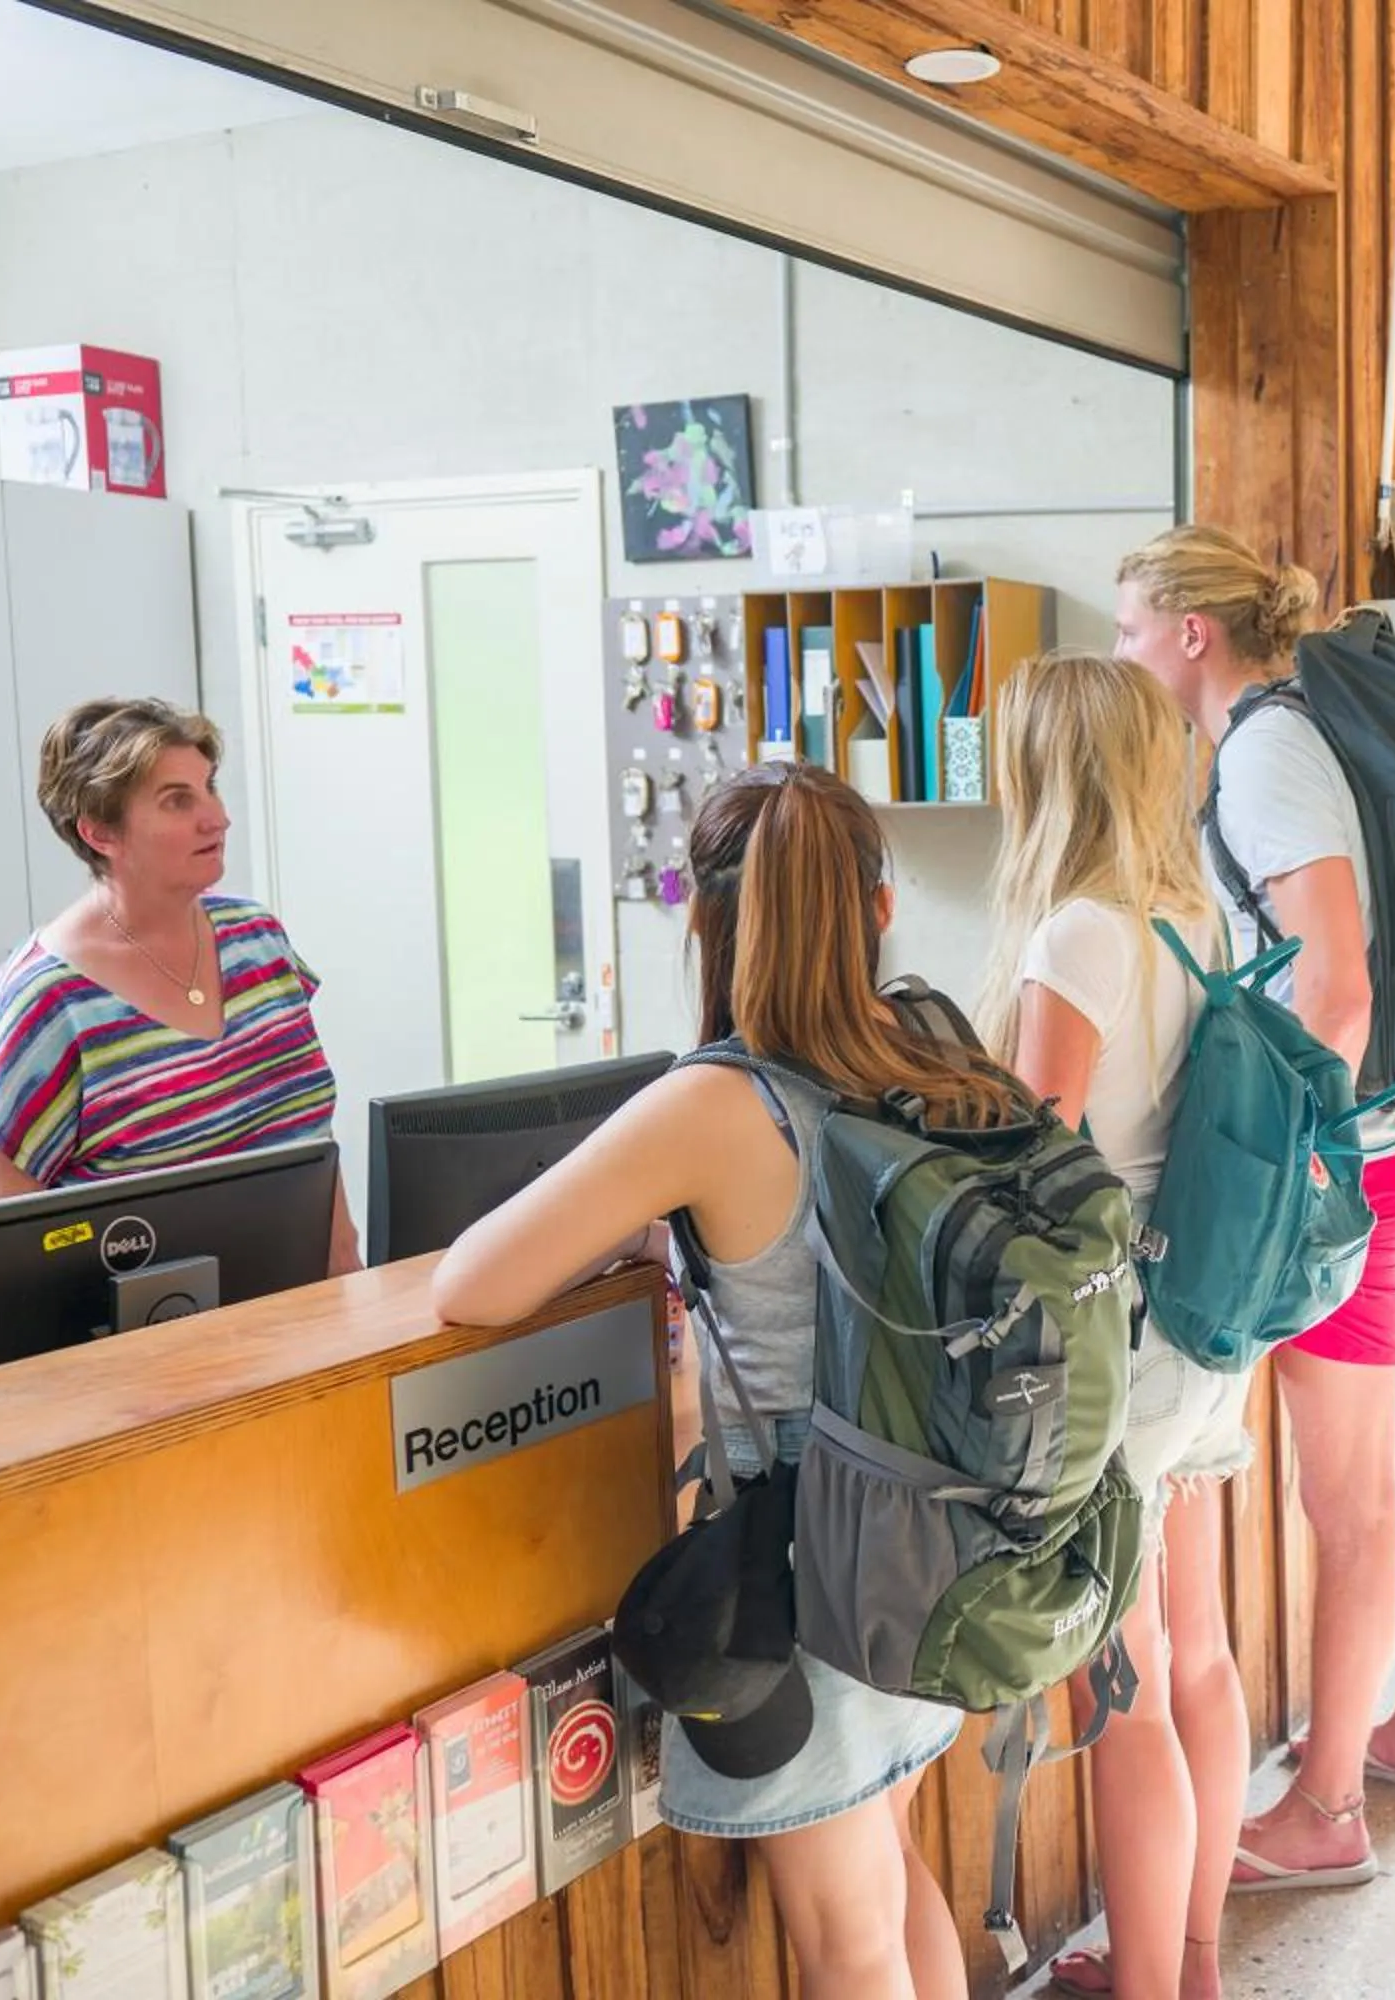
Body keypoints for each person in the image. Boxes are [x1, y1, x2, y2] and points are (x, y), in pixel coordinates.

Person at [433, 762, 992, 2000]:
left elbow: (468, 1282)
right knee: (898, 1878)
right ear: (880, 911)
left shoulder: (712, 1101)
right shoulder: (935, 1049)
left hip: (804, 1558)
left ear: (706, 924)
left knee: (848, 1934)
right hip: (933, 1535)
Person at [1113, 527, 1395, 1895]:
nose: (1122, 656)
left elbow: (1333, 986)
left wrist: (1281, 1176)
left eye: (1130, 629)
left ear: (1191, 634)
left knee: (1348, 1493)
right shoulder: (1308, 727)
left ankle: (1328, 1802)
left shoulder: (1264, 753)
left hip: (1358, 1158)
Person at [974, 650, 1254, 2000]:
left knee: (1124, 1680)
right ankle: (1193, 1963)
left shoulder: (1078, 932)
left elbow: (1030, 1164)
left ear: (1049, 774)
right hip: (1203, 1328)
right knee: (1195, 1652)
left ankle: (1147, 1985)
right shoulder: (1196, 916)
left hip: (1117, 1353)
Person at [0, 697, 359, 1275]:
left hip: (307, 1317)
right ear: (99, 832)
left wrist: (350, 1279)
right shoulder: (47, 999)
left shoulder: (257, 940)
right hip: (152, 1344)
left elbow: (312, 1141)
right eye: (177, 800)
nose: (216, 817)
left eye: (210, 787)